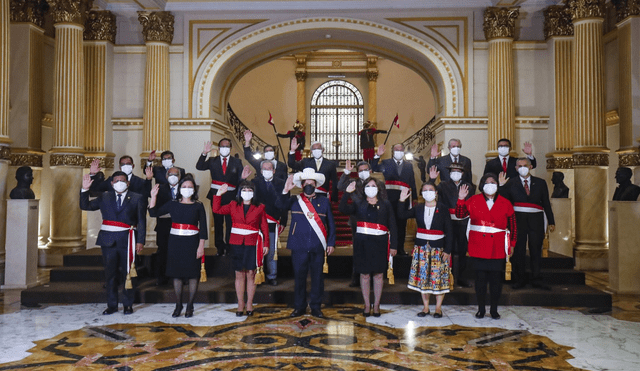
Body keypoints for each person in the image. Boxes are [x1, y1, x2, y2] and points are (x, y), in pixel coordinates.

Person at [80, 171, 146, 315]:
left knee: (129, 273)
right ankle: (112, 305)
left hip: (128, 240)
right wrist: (84, 190)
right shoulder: (104, 196)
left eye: (122, 180)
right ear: (111, 183)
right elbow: (85, 206)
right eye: (116, 181)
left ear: (128, 183)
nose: (119, 183)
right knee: (110, 274)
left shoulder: (137, 198)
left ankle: (128, 304)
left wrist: (140, 241)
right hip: (108, 240)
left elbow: (141, 221)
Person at [456, 173, 517, 319]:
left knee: (496, 280)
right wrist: (461, 198)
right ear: (482, 185)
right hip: (478, 245)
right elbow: (460, 215)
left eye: (493, 182)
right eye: (487, 182)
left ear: (497, 185)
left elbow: (513, 225)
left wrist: (512, 244)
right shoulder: (474, 200)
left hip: (497, 246)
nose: (490, 184)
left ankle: (494, 309)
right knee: (480, 280)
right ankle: (481, 308)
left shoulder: (505, 202)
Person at [276, 168, 336, 318]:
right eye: (306, 183)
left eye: (312, 183)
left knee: (317, 278)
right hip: (298, 246)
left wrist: (331, 242)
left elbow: (331, 224)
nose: (309, 185)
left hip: (317, 246)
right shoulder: (294, 200)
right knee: (299, 278)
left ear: (316, 185)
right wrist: (285, 190)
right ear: (302, 185)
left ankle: (316, 307)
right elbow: (279, 205)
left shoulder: (324, 201)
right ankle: (299, 307)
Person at [149, 175, 207, 318]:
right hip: (175, 241)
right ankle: (178, 304)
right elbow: (153, 212)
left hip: (192, 241)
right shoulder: (172, 203)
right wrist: (153, 197)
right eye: (184, 187)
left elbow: (204, 228)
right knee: (177, 274)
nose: (187, 189)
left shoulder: (198, 205)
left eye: (190, 187)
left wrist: (201, 247)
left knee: (193, 274)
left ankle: (190, 305)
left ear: (194, 190)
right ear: (180, 189)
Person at [340, 177, 397, 317]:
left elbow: (393, 225)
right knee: (364, 275)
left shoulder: (386, 204)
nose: (371, 188)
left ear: (378, 188)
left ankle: (376, 305)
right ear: (364, 189)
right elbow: (342, 209)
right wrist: (347, 193)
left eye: (373, 186)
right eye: (368, 186)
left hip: (380, 243)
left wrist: (394, 245)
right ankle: (366, 305)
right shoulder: (358, 203)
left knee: (378, 275)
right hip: (362, 243)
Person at [213, 181, 269, 317]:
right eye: (244, 189)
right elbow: (217, 210)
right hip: (236, 243)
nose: (247, 192)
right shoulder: (233, 205)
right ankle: (240, 303)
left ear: (254, 193)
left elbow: (264, 226)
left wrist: (266, 243)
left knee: (251, 274)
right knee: (239, 274)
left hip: (252, 243)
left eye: (250, 190)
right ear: (240, 192)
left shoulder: (260, 207)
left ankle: (249, 303)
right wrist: (218, 194)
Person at [398, 182, 452, 318]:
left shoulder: (443, 208)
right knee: (423, 278)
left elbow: (450, 231)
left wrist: (448, 250)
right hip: (421, 248)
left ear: (436, 193)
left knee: (438, 278)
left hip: (438, 248)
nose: (428, 192)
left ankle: (438, 308)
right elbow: (401, 215)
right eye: (425, 190)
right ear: (422, 193)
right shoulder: (418, 208)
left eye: (430, 190)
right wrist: (401, 200)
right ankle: (426, 307)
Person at [500, 158, 555, 290]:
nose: (522, 168)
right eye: (519, 166)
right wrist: (501, 187)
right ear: (516, 168)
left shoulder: (540, 183)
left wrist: (551, 221)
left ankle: (536, 278)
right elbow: (503, 203)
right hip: (517, 219)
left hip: (536, 219)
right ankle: (520, 279)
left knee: (536, 249)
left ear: (530, 167)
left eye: (525, 165)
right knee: (518, 250)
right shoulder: (510, 183)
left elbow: (546, 203)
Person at [196, 138, 251, 256]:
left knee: (231, 223)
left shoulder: (237, 162)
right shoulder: (212, 160)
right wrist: (204, 153)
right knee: (218, 222)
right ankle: (219, 248)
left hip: (231, 196)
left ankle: (230, 248)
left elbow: (240, 179)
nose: (224, 148)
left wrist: (243, 178)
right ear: (219, 148)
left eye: (227, 146)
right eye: (222, 146)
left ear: (230, 148)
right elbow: (199, 166)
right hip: (216, 196)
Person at [427, 162, 475, 287]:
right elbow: (430, 190)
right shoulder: (443, 185)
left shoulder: (469, 186)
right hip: (448, 222)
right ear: (449, 173)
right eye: (453, 171)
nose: (456, 173)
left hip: (463, 221)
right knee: (448, 249)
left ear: (463, 173)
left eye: (458, 171)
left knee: (462, 250)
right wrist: (432, 179)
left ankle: (461, 277)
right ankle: (447, 274)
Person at [370, 143, 418, 255]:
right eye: (397, 149)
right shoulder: (386, 163)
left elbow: (412, 182)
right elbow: (373, 167)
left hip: (404, 200)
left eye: (401, 149)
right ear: (393, 151)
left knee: (402, 225)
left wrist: (414, 198)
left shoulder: (408, 165)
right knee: (389, 223)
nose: (399, 151)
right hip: (389, 199)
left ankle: (400, 249)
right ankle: (388, 248)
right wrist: (377, 155)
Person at [251, 160, 287, 286]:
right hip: (257, 221)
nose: (267, 170)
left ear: (274, 170)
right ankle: (258, 273)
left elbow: (285, 204)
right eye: (265, 168)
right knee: (257, 248)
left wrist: (284, 221)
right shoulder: (254, 183)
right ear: (261, 171)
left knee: (271, 250)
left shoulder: (281, 183)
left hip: (273, 221)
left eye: (270, 168)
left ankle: (272, 275)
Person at [337, 159, 373, 287]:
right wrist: (347, 172)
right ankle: (355, 277)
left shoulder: (377, 183)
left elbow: (383, 199)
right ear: (357, 173)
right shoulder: (353, 182)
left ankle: (372, 278)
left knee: (372, 250)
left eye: (365, 170)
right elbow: (340, 186)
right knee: (358, 250)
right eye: (361, 171)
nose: (363, 172)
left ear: (370, 171)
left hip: (373, 221)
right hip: (356, 220)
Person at [151, 167, 181, 286]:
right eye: (170, 174)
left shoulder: (185, 188)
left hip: (180, 226)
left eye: (175, 174)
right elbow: (156, 209)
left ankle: (180, 276)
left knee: (179, 251)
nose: (173, 176)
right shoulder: (160, 189)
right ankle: (162, 277)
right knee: (163, 252)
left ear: (179, 176)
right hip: (164, 225)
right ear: (166, 176)